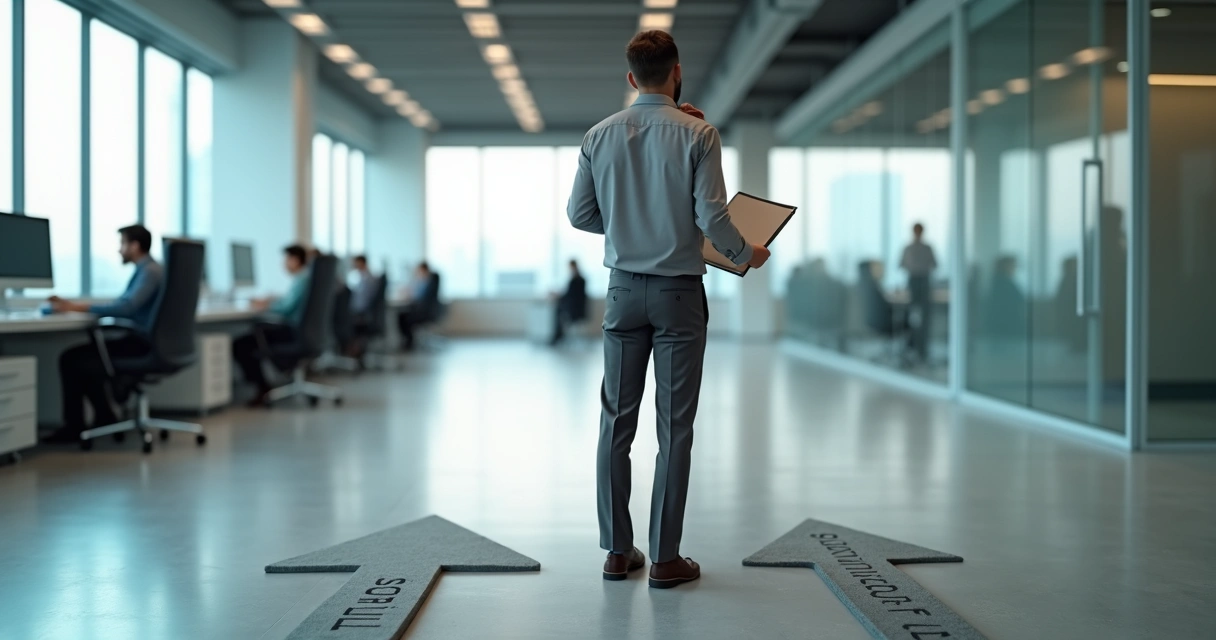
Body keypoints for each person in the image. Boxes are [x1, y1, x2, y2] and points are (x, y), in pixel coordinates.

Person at [567, 30, 770, 589]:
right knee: (674, 428)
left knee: (616, 423)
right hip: (679, 294)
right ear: (677, 73)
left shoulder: (598, 135)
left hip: (622, 292)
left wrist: (634, 221)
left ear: (631, 78)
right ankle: (663, 559)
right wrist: (745, 254)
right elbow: (713, 218)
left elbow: (580, 215)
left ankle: (615, 551)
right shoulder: (699, 133)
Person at [41, 225, 164, 443]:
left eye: (122, 244)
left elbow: (126, 308)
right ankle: (105, 417)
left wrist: (75, 307)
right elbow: (125, 305)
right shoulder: (151, 270)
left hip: (141, 343)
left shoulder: (150, 272)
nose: (119, 250)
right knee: (87, 358)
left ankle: (76, 426)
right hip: (150, 341)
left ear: (134, 246)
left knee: (73, 359)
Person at [231, 244, 311, 406]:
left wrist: (265, 305)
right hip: (301, 331)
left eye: (285, 260)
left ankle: (262, 387)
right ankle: (267, 382)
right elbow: (290, 302)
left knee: (242, 344)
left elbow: (287, 308)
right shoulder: (306, 278)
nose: (283, 264)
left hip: (292, 332)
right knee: (251, 340)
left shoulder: (302, 279)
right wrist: (272, 300)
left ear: (294, 260)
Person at [899, 222, 938, 361]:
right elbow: (901, 264)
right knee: (911, 316)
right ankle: (911, 346)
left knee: (924, 318)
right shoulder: (908, 248)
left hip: (924, 283)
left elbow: (935, 264)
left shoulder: (927, 248)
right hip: (913, 282)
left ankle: (923, 349)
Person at [396, 262, 441, 352]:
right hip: (423, 310)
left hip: (424, 313)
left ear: (424, 270)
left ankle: (409, 342)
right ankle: (408, 341)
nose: (418, 273)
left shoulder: (427, 283)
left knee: (403, 317)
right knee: (402, 315)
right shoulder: (427, 282)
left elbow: (418, 297)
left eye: (419, 271)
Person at [550, 260, 588, 345]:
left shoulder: (574, 280)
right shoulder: (582, 279)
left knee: (558, 310)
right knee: (559, 308)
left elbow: (569, 295)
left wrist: (557, 296)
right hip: (579, 309)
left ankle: (558, 337)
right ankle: (559, 336)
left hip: (573, 310)